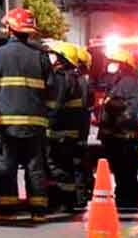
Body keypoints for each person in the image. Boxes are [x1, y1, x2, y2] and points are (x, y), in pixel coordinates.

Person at [0, 8, 53, 222]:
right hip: (35, 124)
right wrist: (44, 111)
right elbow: (52, 89)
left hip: (5, 124)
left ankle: (8, 211)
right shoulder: (40, 56)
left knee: (7, 167)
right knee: (35, 167)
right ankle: (38, 211)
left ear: (9, 28)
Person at [43, 41, 88, 211]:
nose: (51, 58)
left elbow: (55, 106)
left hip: (59, 132)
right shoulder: (74, 78)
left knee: (57, 167)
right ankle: (68, 201)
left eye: (54, 55)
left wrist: (46, 125)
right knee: (66, 166)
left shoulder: (62, 78)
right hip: (69, 131)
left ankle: (62, 202)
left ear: (62, 59)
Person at [98, 47, 138, 211]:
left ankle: (128, 201)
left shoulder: (128, 82)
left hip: (124, 137)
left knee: (126, 171)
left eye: (114, 62)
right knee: (119, 171)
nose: (110, 64)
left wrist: (118, 114)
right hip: (114, 136)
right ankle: (123, 199)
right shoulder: (114, 82)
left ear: (123, 65)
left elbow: (132, 108)